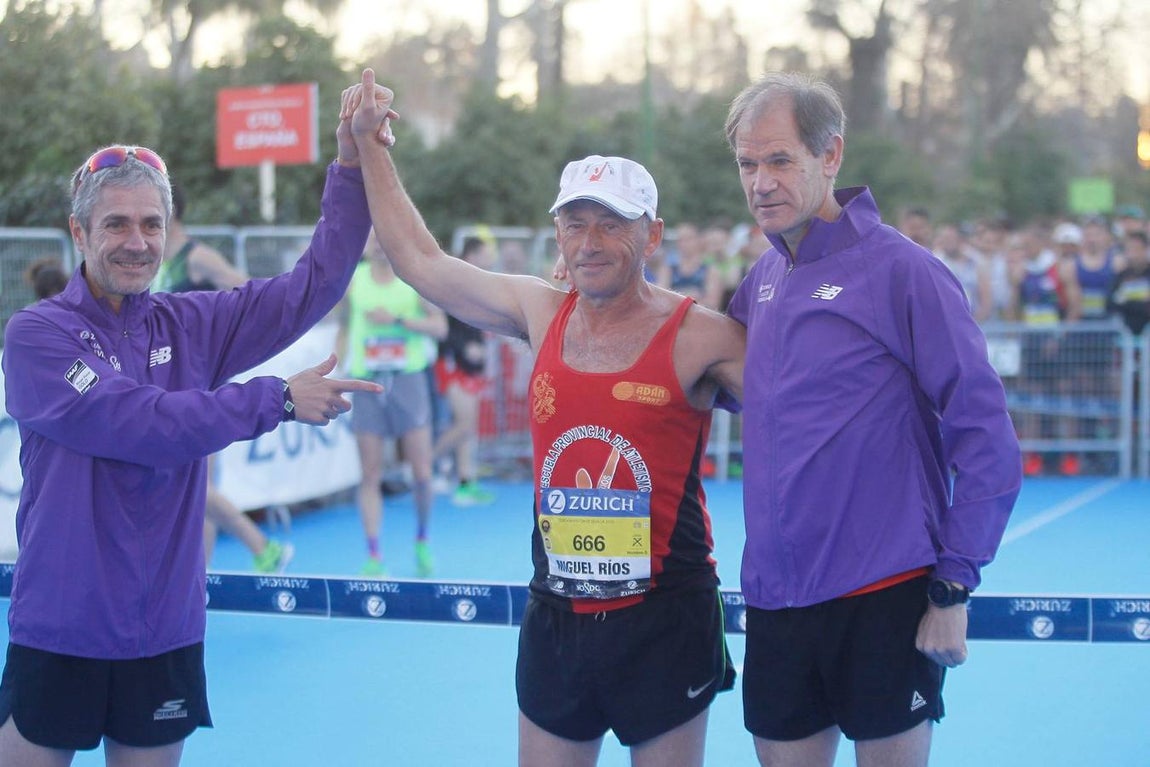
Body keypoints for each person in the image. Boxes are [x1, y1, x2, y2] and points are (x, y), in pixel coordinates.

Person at [345, 69, 745, 767]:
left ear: (652, 235)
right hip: (557, 614)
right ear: (556, 233)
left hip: (665, 615)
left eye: (610, 224)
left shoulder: (701, 335)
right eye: (574, 222)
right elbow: (419, 261)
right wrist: (370, 145)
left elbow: (813, 410)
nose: (589, 241)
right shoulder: (540, 310)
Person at [0, 79, 388, 765]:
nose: (137, 242)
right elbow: (136, 422)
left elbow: (313, 285)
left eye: (151, 224)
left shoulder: (191, 322)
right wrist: (278, 399)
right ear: (79, 232)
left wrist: (351, 166)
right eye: (116, 224)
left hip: (163, 628)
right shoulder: (36, 334)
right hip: (61, 625)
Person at [723, 72, 1021, 767]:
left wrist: (953, 583)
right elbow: (701, 370)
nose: (760, 182)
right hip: (774, 598)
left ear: (830, 156)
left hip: (883, 594)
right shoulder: (763, 278)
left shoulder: (903, 270)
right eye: (746, 163)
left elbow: (986, 434)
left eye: (778, 160)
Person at [158, 182, 293, 573]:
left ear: (171, 212)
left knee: (197, 488)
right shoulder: (157, 262)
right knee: (196, 487)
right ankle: (198, 586)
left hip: (196, 382)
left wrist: (224, 341)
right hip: (166, 386)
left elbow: (250, 294)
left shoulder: (197, 257)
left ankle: (261, 546)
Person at [336, 228, 448, 578]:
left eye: (384, 238)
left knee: (422, 474)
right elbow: (341, 327)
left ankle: (422, 538)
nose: (379, 245)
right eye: (372, 239)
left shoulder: (411, 280)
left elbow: (440, 327)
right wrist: (336, 368)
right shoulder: (354, 282)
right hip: (367, 381)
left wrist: (398, 322)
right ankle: (373, 553)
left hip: (408, 381)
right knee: (370, 474)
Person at [432, 235, 498, 507]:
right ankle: (420, 465)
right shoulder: (455, 282)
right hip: (453, 364)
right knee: (464, 424)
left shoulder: (479, 281)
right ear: (471, 255)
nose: (490, 259)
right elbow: (446, 324)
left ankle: (464, 482)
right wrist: (465, 348)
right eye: (485, 253)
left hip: (470, 365)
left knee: (467, 429)